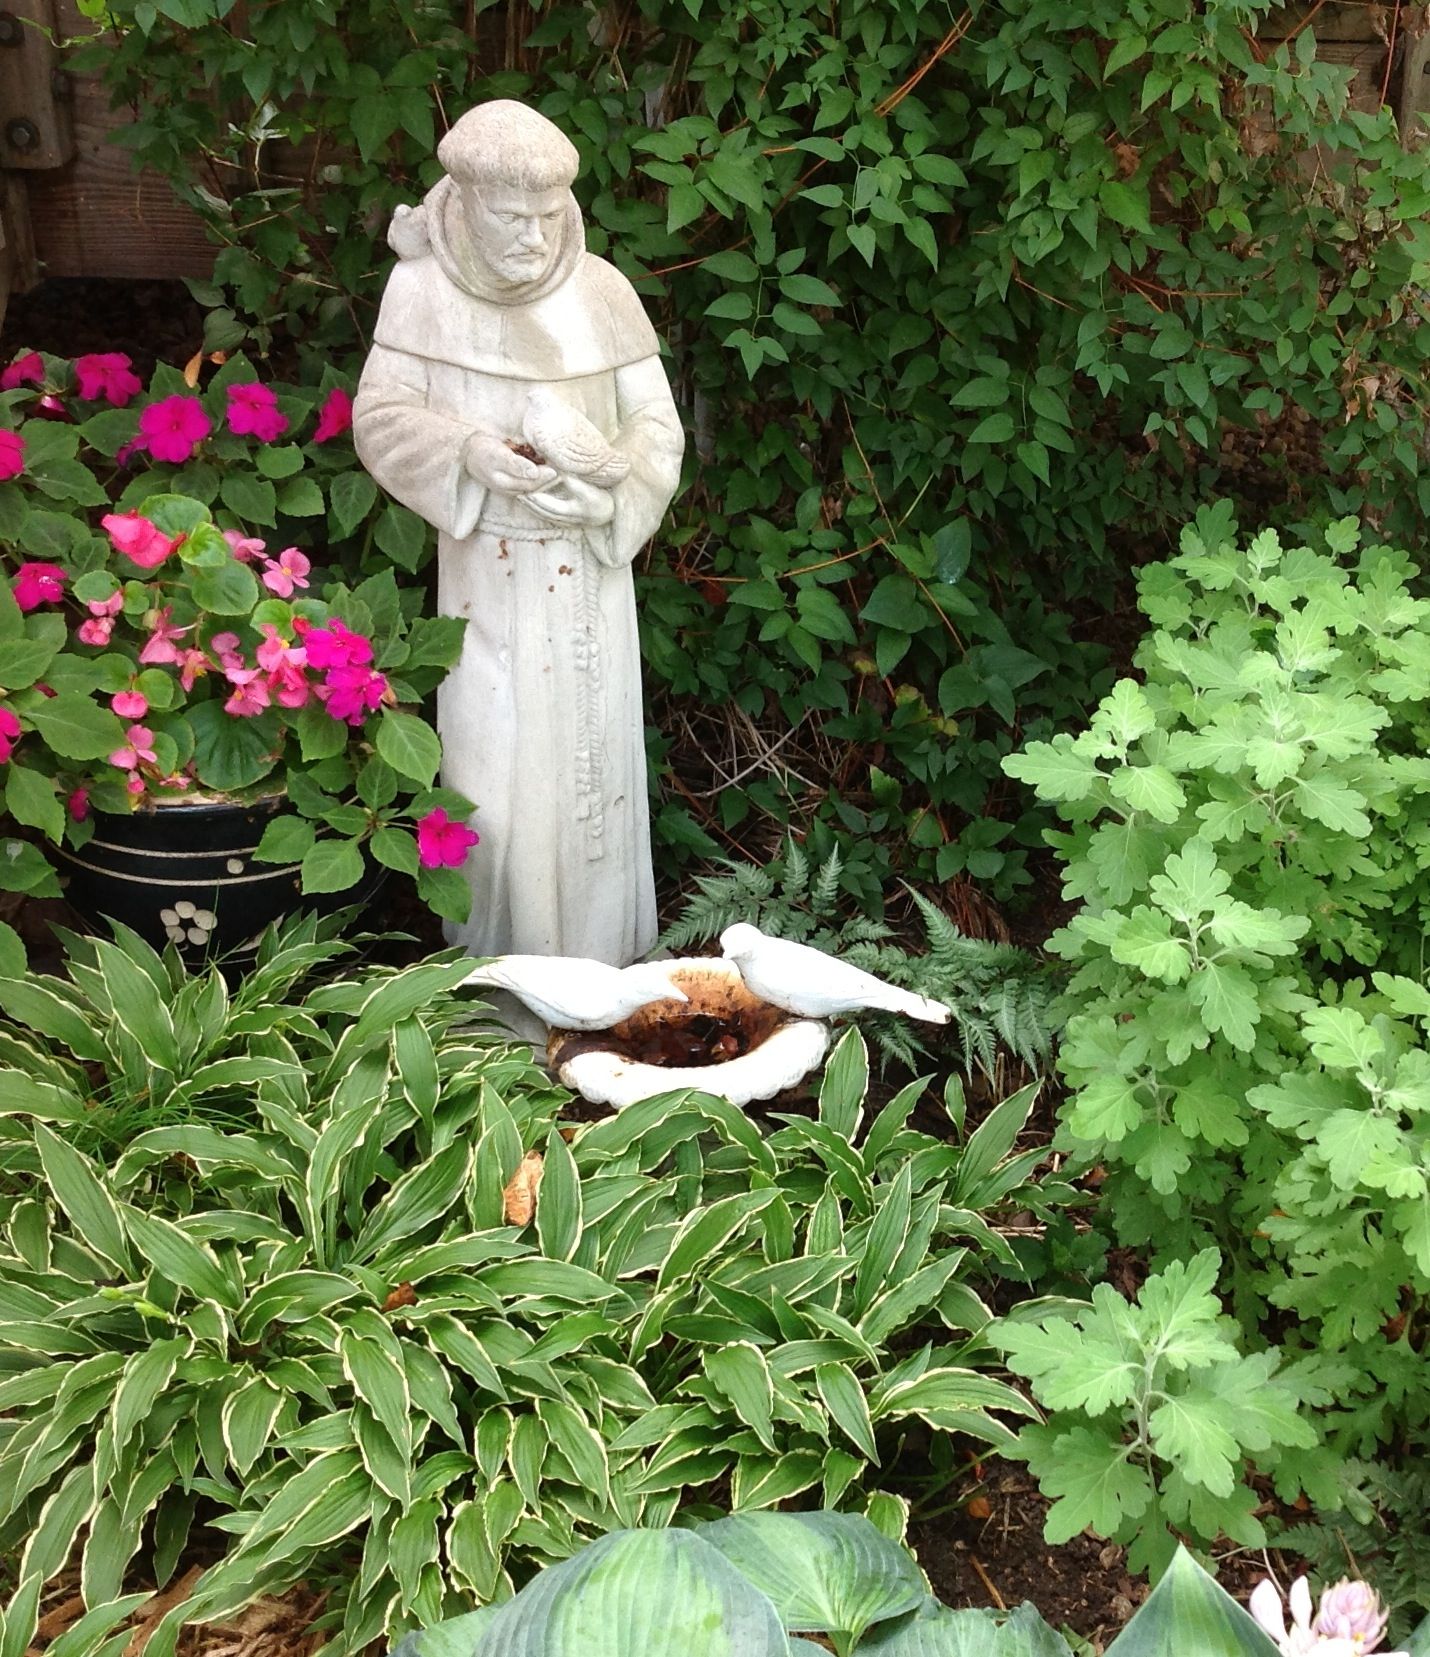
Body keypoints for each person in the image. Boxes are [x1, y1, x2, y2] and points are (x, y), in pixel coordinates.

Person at [353, 100, 684, 966]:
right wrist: (468, 452)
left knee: (591, 777)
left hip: (587, 577)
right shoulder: (419, 292)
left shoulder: (603, 291)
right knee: (495, 781)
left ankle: (606, 977)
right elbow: (382, 419)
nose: (535, 239)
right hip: (484, 581)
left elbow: (655, 425)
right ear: (464, 202)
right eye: (512, 219)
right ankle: (500, 983)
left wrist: (611, 499)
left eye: (548, 217)